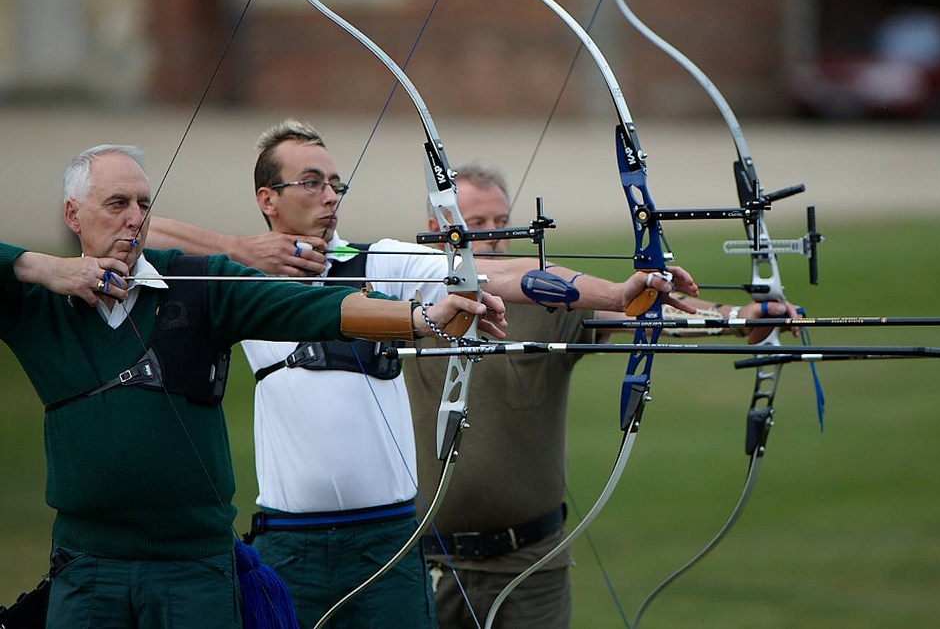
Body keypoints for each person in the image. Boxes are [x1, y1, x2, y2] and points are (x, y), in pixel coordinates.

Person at [144, 119, 700, 629]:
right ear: (268, 199)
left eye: (335, 183)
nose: (330, 196)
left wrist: (618, 291)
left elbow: (503, 273)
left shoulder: (380, 262)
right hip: (289, 545)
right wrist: (237, 249)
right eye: (311, 182)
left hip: (388, 541)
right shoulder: (233, 278)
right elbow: (125, 232)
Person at [0, 143, 505, 629]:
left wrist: (421, 317)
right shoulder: (39, 304)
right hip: (88, 570)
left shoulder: (202, 283)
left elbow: (313, 307)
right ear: (73, 215)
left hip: (194, 570)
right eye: (117, 203)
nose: (135, 217)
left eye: (143, 204)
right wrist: (39, 266)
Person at [402, 162, 801, 629]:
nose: (495, 234)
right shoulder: (404, 302)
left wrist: (737, 317)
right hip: (426, 563)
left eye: (500, 220)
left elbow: (647, 315)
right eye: (477, 225)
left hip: (531, 562)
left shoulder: (549, 298)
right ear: (437, 230)